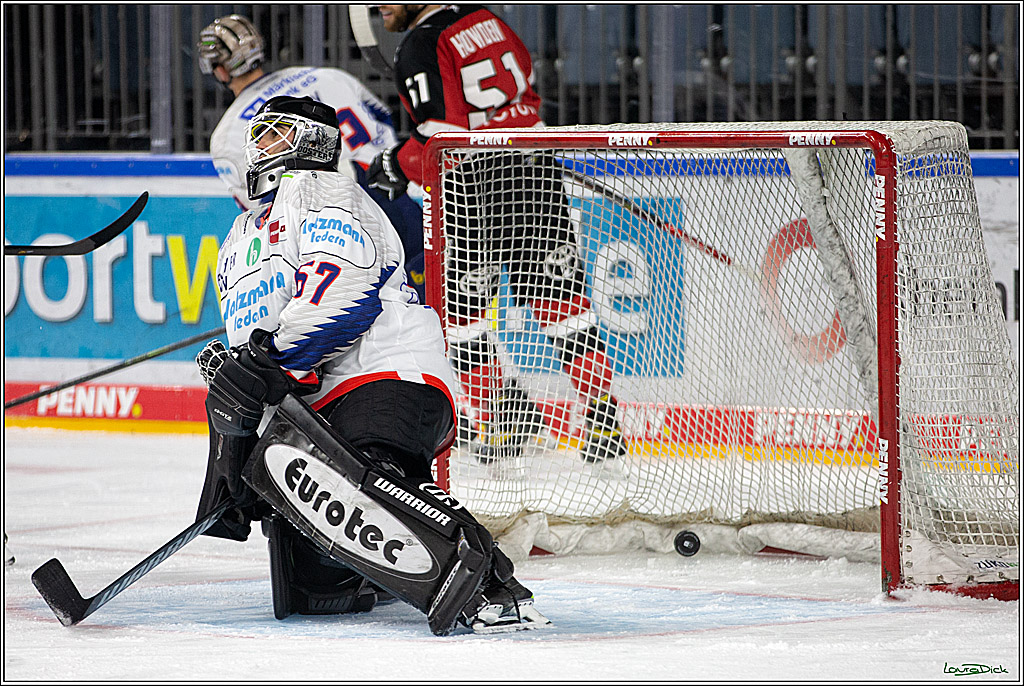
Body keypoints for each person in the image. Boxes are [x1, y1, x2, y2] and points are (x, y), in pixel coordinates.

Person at [192, 95, 550, 635]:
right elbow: (255, 348)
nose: (260, 143)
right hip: (314, 401)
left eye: (275, 132)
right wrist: (236, 386)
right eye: (258, 133)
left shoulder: (326, 192)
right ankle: (373, 579)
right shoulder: (238, 236)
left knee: (365, 481)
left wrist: (272, 358)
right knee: (310, 583)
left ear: (311, 140)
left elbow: (347, 292)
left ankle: (491, 589)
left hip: (384, 374)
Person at [367, 5, 627, 463]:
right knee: (560, 297)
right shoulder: (487, 18)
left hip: (476, 180)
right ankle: (603, 419)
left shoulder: (422, 43)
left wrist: (394, 163)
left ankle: (498, 420)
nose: (376, 8)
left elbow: (444, 137)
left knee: (462, 308)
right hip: (535, 167)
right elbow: (522, 86)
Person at [197, 14, 427, 301]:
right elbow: (383, 117)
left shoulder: (228, 134)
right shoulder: (327, 76)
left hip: (332, 232)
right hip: (393, 200)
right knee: (436, 312)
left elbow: (262, 214)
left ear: (219, 71)